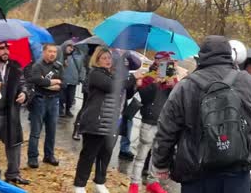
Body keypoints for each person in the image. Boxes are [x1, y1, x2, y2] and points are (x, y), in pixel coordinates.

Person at [151, 36, 251, 193]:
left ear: (201, 57)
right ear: (229, 54)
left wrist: (161, 163)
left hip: (197, 171)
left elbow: (167, 128)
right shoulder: (249, 82)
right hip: (237, 170)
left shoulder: (186, 86)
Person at [74, 46, 138, 193]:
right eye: (103, 58)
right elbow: (112, 87)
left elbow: (125, 94)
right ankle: (79, 185)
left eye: (109, 58)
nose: (108, 60)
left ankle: (100, 182)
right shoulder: (95, 74)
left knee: (105, 154)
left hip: (112, 123)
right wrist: (133, 77)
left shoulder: (113, 74)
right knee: (88, 155)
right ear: (96, 60)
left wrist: (134, 85)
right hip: (95, 122)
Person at [128, 51, 178, 193]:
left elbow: (177, 97)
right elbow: (144, 97)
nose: (165, 64)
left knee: (156, 156)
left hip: (163, 122)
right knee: (141, 154)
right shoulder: (149, 77)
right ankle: (134, 183)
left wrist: (172, 84)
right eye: (163, 61)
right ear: (156, 61)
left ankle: (152, 181)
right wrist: (155, 83)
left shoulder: (171, 77)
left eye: (167, 61)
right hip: (149, 120)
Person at [0, 41, 30, 185]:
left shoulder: (14, 66)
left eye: (7, 48)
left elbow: (23, 83)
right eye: (2, 49)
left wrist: (24, 93)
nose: (6, 51)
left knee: (14, 143)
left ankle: (13, 173)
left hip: (11, 111)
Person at [27, 44, 63, 168]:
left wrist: (46, 83)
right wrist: (53, 82)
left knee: (51, 130)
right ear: (44, 52)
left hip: (54, 101)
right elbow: (37, 81)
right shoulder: (37, 66)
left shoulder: (58, 66)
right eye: (50, 51)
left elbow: (62, 84)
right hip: (39, 100)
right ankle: (32, 157)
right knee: (36, 131)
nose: (52, 54)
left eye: (54, 52)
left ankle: (49, 155)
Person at [58, 40, 86, 118]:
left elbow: (82, 67)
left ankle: (68, 110)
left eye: (73, 47)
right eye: (69, 46)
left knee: (70, 97)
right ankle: (60, 110)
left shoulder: (79, 55)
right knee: (61, 97)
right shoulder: (60, 54)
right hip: (63, 79)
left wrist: (81, 77)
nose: (71, 48)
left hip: (73, 80)